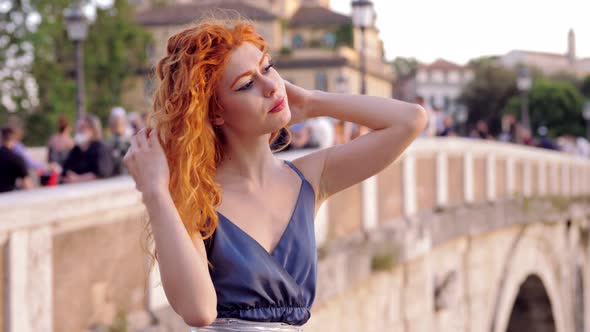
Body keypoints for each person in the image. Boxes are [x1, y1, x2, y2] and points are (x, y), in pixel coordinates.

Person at [123, 18, 426, 330]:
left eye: (267, 68)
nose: (270, 87)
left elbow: (409, 120)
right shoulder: (195, 197)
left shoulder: (309, 177)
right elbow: (199, 310)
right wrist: (155, 192)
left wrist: (312, 102)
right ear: (215, 111)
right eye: (246, 84)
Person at [61, 114, 114, 183]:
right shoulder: (76, 149)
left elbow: (102, 173)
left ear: (93, 130)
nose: (79, 130)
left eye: (83, 127)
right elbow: (66, 168)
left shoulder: (101, 148)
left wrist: (79, 178)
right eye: (78, 127)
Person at [0, 127, 33, 193]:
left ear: (2, 138)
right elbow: (27, 185)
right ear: (14, 139)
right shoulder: (16, 159)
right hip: (8, 197)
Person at [107, 107, 132, 175]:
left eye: (118, 121)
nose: (117, 124)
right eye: (114, 121)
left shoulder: (130, 138)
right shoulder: (111, 140)